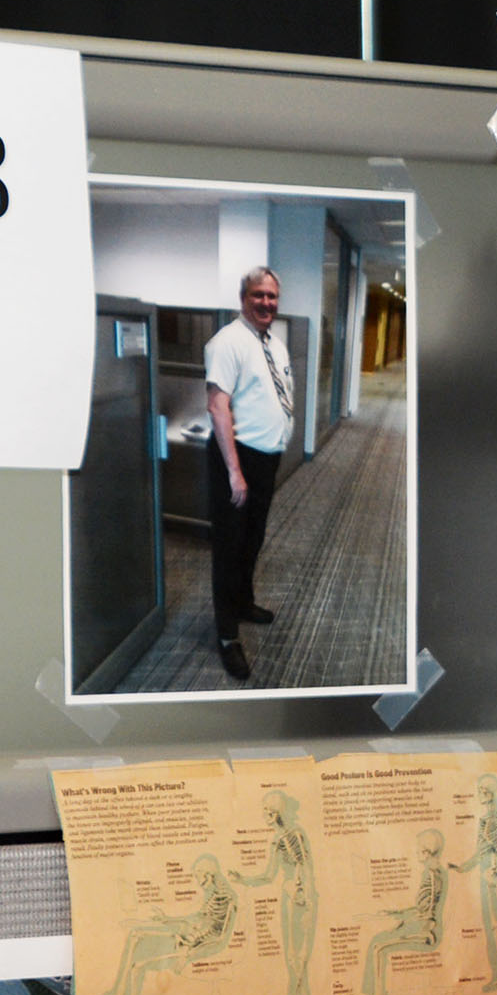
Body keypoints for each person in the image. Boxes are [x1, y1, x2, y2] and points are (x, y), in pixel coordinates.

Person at [205, 267, 298, 683]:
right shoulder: (226, 343)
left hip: (266, 459)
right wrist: (234, 473)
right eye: (259, 295)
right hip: (237, 460)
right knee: (228, 549)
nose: (266, 303)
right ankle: (227, 637)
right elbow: (217, 406)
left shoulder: (274, 344)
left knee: (253, 539)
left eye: (272, 297)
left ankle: (243, 603)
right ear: (243, 298)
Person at [83, 856, 239, 995]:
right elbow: (199, 917)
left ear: (209, 875)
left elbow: (220, 939)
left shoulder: (227, 898)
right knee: (136, 935)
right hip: (190, 937)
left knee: (138, 967)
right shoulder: (212, 894)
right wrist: (168, 920)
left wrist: (190, 949)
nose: (197, 881)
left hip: (199, 946)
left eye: (199, 876)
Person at [233, 790, 317, 995]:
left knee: (298, 954)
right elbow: (269, 876)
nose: (266, 816)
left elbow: (304, 865)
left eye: (269, 812)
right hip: (288, 894)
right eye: (265, 811)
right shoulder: (277, 840)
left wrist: (304, 895)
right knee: (291, 954)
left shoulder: (295, 834)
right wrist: (243, 879)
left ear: (278, 812)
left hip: (300, 896)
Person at [352, 830, 447, 995]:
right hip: (419, 926)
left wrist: (403, 919)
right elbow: (422, 908)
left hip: (427, 932)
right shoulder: (431, 871)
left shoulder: (432, 874)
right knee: (376, 940)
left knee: (379, 949)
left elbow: (427, 912)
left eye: (418, 850)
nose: (415, 852)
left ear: (427, 852)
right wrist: (398, 915)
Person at [446, 774, 497, 995]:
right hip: (486, 877)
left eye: (480, 790)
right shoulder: (484, 820)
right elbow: (481, 852)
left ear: (488, 793)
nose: (478, 794)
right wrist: (462, 868)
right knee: (495, 929)